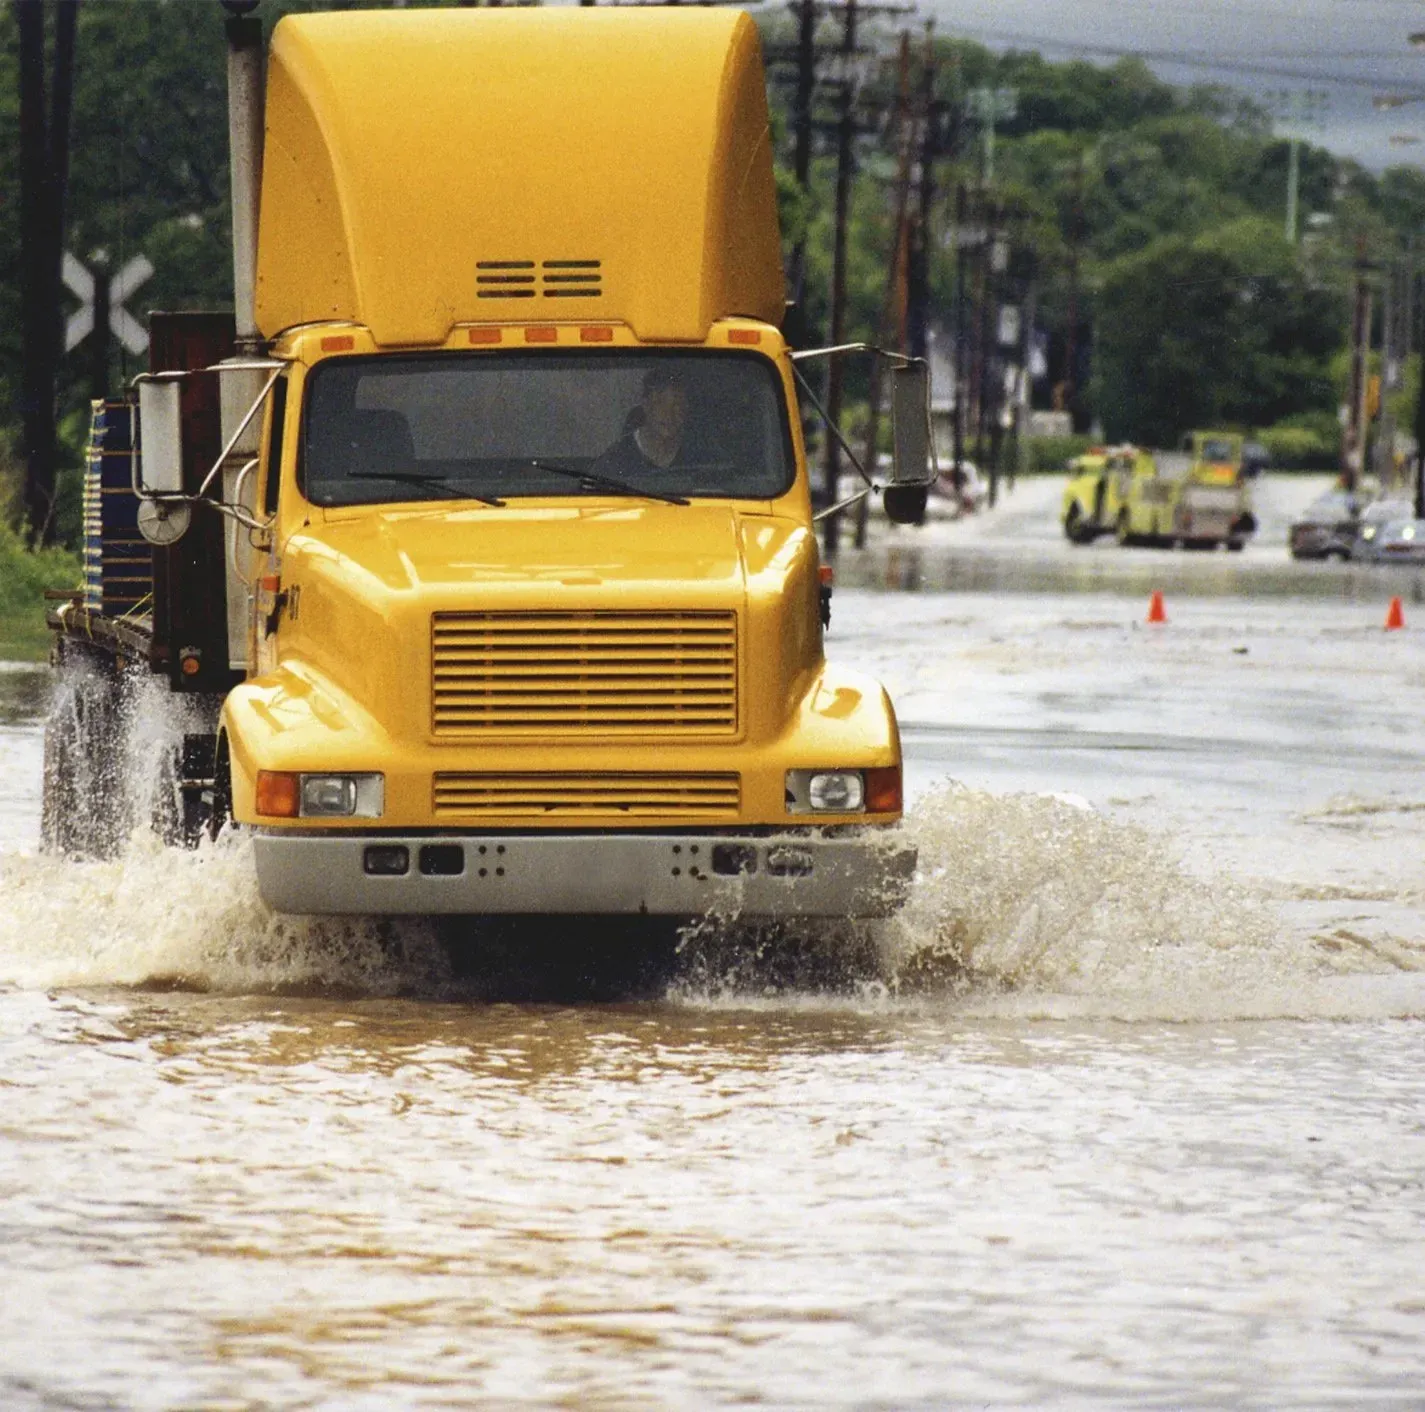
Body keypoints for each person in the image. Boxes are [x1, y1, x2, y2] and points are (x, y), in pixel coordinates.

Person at [596, 366, 688, 477]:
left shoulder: (697, 455)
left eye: (677, 405)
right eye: (660, 403)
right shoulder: (615, 459)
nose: (668, 414)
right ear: (645, 405)